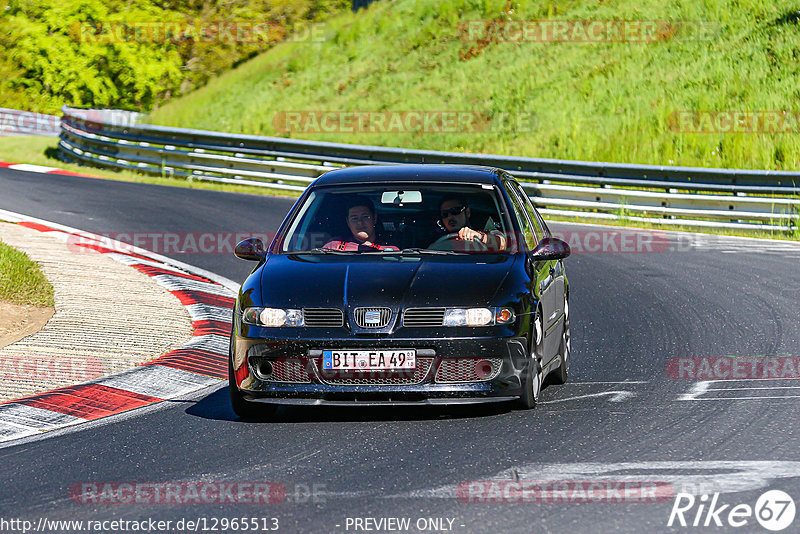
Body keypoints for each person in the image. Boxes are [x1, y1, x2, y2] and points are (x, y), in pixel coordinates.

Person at [323, 196, 399, 252]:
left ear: (374, 219)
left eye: (365, 217)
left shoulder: (390, 250)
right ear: (348, 222)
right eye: (354, 218)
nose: (360, 222)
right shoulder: (333, 247)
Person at [435, 196, 506, 251]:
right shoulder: (434, 237)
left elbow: (503, 244)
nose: (450, 217)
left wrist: (480, 237)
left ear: (467, 212)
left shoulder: (483, 229)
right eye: (444, 214)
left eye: (455, 211)